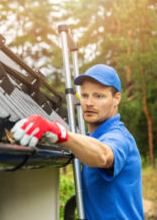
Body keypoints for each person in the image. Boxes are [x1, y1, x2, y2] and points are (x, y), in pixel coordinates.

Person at [11, 64, 144, 220]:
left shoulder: (119, 137)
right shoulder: (91, 139)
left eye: (99, 96)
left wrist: (59, 133)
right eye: (85, 95)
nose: (89, 103)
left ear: (116, 99)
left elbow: (103, 155)